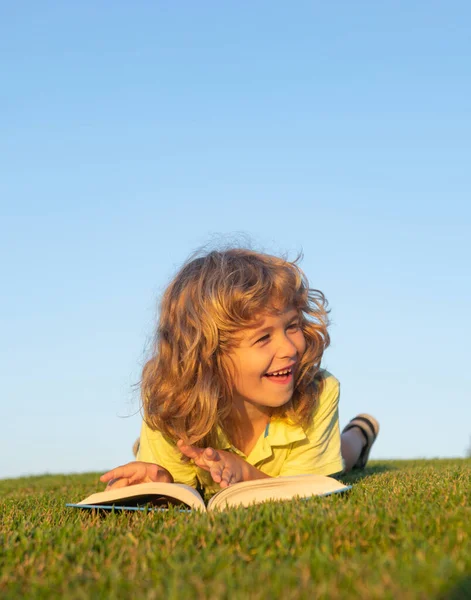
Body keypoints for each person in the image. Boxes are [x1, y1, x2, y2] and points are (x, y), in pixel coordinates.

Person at [101, 248, 379, 493]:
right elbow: (178, 490)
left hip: (306, 459)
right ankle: (144, 446)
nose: (290, 349)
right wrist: (159, 481)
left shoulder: (318, 391)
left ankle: (360, 433)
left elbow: (308, 489)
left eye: (292, 326)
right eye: (263, 338)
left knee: (343, 455)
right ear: (209, 357)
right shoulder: (173, 407)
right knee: (162, 461)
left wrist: (246, 474)